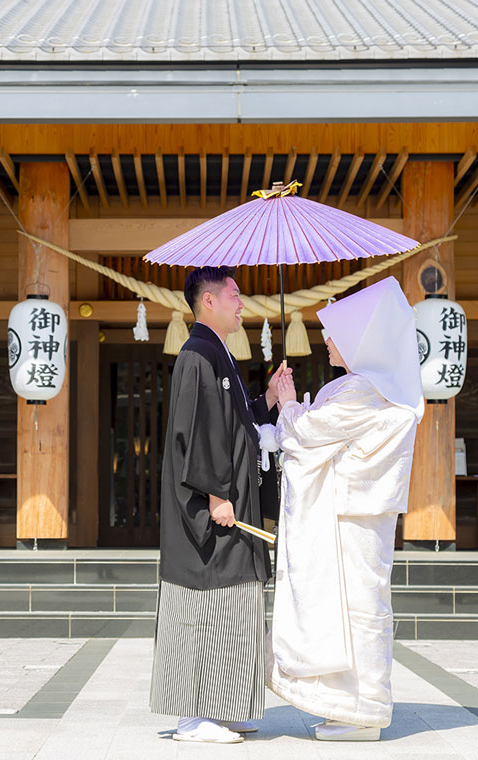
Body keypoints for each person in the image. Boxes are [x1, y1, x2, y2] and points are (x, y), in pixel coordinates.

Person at [265, 276, 424, 742]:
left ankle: (364, 710)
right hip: (359, 511)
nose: (327, 342)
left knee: (355, 607)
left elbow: (306, 435)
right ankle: (352, 705)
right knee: (358, 605)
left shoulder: (359, 390)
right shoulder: (380, 386)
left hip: (349, 514)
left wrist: (290, 403)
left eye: (335, 334)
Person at [150, 266, 288, 745]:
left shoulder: (219, 353)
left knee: (236, 603)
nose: (241, 303)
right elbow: (198, 430)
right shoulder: (197, 353)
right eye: (234, 295)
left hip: (229, 505)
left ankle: (226, 705)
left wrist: (268, 398)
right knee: (206, 605)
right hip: (211, 512)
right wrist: (215, 494)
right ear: (208, 301)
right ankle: (197, 714)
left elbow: (235, 424)